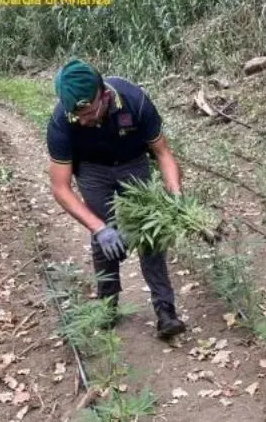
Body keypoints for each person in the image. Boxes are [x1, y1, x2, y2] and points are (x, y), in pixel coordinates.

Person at [45, 59, 185, 338]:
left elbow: (162, 153)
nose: (83, 120)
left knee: (150, 232)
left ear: (104, 95)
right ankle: (108, 302)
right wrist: (99, 228)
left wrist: (175, 194)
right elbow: (60, 187)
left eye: (88, 112)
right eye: (77, 116)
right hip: (92, 170)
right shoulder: (61, 121)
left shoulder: (134, 100)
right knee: (104, 237)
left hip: (133, 163)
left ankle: (165, 310)